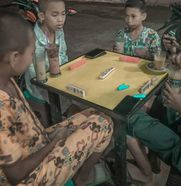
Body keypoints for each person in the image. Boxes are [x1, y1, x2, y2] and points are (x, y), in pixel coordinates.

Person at [0, 11, 113, 186]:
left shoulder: (7, 80)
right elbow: (16, 175)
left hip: (35, 146)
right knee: (103, 124)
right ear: (14, 58)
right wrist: (53, 143)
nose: (31, 60)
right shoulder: (1, 106)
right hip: (30, 177)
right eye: (31, 54)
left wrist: (52, 138)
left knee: (96, 113)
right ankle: (82, 179)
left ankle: (78, 170)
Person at [127, 5, 181, 183]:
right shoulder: (124, 34)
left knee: (125, 118)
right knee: (160, 102)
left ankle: (147, 175)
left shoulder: (150, 34)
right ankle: (153, 157)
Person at [25, 0, 68, 104]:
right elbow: (33, 72)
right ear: (42, 16)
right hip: (40, 88)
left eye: (63, 14)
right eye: (55, 15)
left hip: (59, 80)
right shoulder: (32, 38)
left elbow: (63, 54)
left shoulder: (59, 31)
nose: (60, 19)